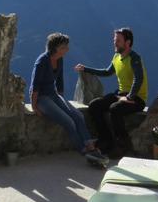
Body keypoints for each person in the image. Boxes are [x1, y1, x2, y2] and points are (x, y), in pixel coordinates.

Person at [30, 32, 108, 165]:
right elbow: (35, 85)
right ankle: (83, 150)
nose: (67, 49)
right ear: (57, 47)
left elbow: (59, 80)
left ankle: (90, 145)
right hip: (42, 98)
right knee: (69, 122)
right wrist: (34, 106)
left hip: (54, 95)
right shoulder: (42, 61)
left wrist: (63, 101)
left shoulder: (59, 59)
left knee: (78, 116)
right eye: (65, 47)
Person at [75, 27, 148, 157]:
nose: (115, 43)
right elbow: (107, 72)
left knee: (115, 109)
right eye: (115, 40)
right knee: (95, 105)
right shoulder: (116, 57)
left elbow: (139, 78)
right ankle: (105, 140)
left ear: (128, 42)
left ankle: (122, 145)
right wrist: (86, 69)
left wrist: (130, 96)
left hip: (137, 98)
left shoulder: (134, 58)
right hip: (121, 94)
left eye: (118, 40)